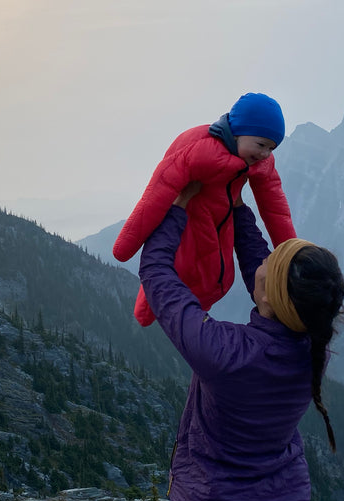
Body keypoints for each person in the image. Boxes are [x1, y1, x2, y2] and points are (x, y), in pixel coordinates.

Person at [139, 182, 344, 501]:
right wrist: (237, 207)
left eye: (272, 261)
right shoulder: (313, 345)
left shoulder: (225, 354)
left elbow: (157, 275)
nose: (264, 259)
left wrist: (176, 206)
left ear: (270, 298)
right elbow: (264, 280)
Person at [115, 92, 296, 326]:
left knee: (214, 277)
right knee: (173, 269)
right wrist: (125, 246)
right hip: (186, 226)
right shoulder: (199, 150)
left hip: (221, 227)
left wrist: (290, 252)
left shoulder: (259, 161)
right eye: (261, 145)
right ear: (238, 131)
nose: (264, 154)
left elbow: (275, 208)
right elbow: (157, 194)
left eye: (271, 148)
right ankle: (145, 312)